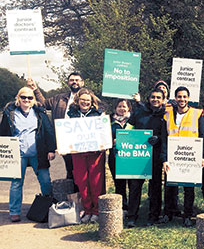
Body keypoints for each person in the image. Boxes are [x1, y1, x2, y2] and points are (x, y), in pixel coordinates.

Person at [0, 87, 56, 222]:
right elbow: (3, 133)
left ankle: (48, 208)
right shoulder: (10, 113)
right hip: (17, 153)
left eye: (29, 97)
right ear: (18, 98)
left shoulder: (40, 113)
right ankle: (14, 211)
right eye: (23, 97)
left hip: (38, 152)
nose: (26, 100)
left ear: (33, 99)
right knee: (16, 183)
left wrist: (51, 149)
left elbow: (48, 131)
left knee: (45, 181)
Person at [27, 72, 85, 180]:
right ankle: (72, 194)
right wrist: (35, 89)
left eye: (77, 80)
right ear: (68, 82)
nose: (74, 82)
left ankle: (83, 194)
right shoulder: (59, 98)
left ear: (82, 82)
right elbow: (44, 104)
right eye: (72, 80)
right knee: (70, 168)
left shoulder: (88, 98)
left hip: (82, 139)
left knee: (82, 169)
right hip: (64, 139)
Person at [163, 86, 204, 227]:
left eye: (184, 97)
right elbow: (164, 138)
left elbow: (202, 136)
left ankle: (187, 215)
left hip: (190, 156)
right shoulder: (167, 114)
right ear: (175, 98)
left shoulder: (197, 113)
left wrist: (203, 156)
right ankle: (168, 213)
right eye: (179, 97)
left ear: (188, 98)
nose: (182, 99)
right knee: (170, 187)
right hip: (172, 155)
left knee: (189, 188)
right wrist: (164, 159)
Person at [126, 89, 168, 227]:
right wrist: (121, 139)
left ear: (163, 100)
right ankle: (132, 216)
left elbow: (169, 134)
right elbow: (129, 127)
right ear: (148, 98)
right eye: (153, 97)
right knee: (135, 186)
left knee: (155, 187)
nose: (155, 99)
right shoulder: (139, 112)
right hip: (139, 154)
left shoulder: (166, 115)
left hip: (156, 155)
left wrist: (159, 139)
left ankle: (153, 216)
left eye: (158, 97)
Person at [67, 88, 105, 223]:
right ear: (77, 100)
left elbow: (103, 132)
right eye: (82, 100)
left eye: (88, 100)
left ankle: (96, 211)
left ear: (92, 101)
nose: (85, 102)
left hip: (95, 153)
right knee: (81, 181)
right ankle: (87, 210)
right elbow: (65, 132)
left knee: (95, 182)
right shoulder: (70, 114)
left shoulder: (99, 114)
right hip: (78, 153)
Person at [108, 99, 132, 211]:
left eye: (124, 106)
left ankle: (133, 207)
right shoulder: (108, 121)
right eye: (119, 106)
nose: (122, 109)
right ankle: (122, 207)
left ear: (128, 108)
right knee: (119, 183)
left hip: (131, 156)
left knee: (132, 183)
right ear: (115, 108)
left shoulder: (133, 120)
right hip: (115, 156)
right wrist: (111, 141)